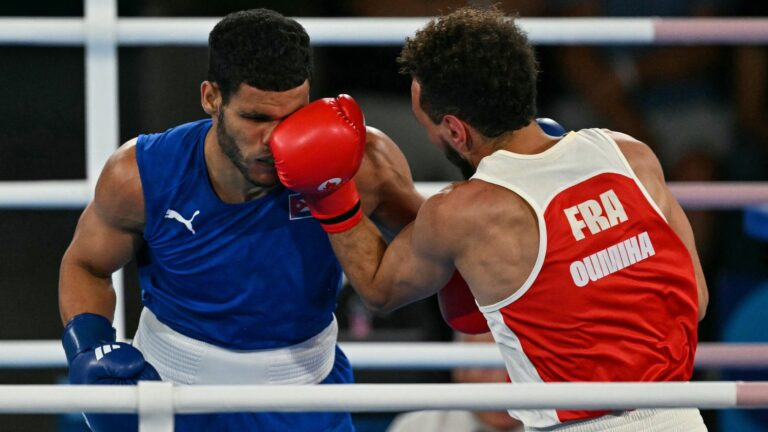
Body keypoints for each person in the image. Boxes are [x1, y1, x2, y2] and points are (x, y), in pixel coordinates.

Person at [271, 7, 709, 431]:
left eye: (428, 123)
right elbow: (696, 298)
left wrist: (330, 194)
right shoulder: (630, 154)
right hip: (684, 418)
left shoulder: (461, 214)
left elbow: (379, 290)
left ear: (457, 131)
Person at [57, 8, 425, 432]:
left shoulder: (363, 162)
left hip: (307, 396)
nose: (275, 140)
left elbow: (430, 245)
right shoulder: (140, 175)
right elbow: (86, 265)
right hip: (173, 392)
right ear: (211, 97)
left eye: (291, 118)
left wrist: (341, 199)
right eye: (256, 118)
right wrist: (88, 348)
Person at [387, 332, 524, 432]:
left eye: (516, 366)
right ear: (458, 370)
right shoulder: (417, 428)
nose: (500, 381)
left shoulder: (545, 422)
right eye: (486, 367)